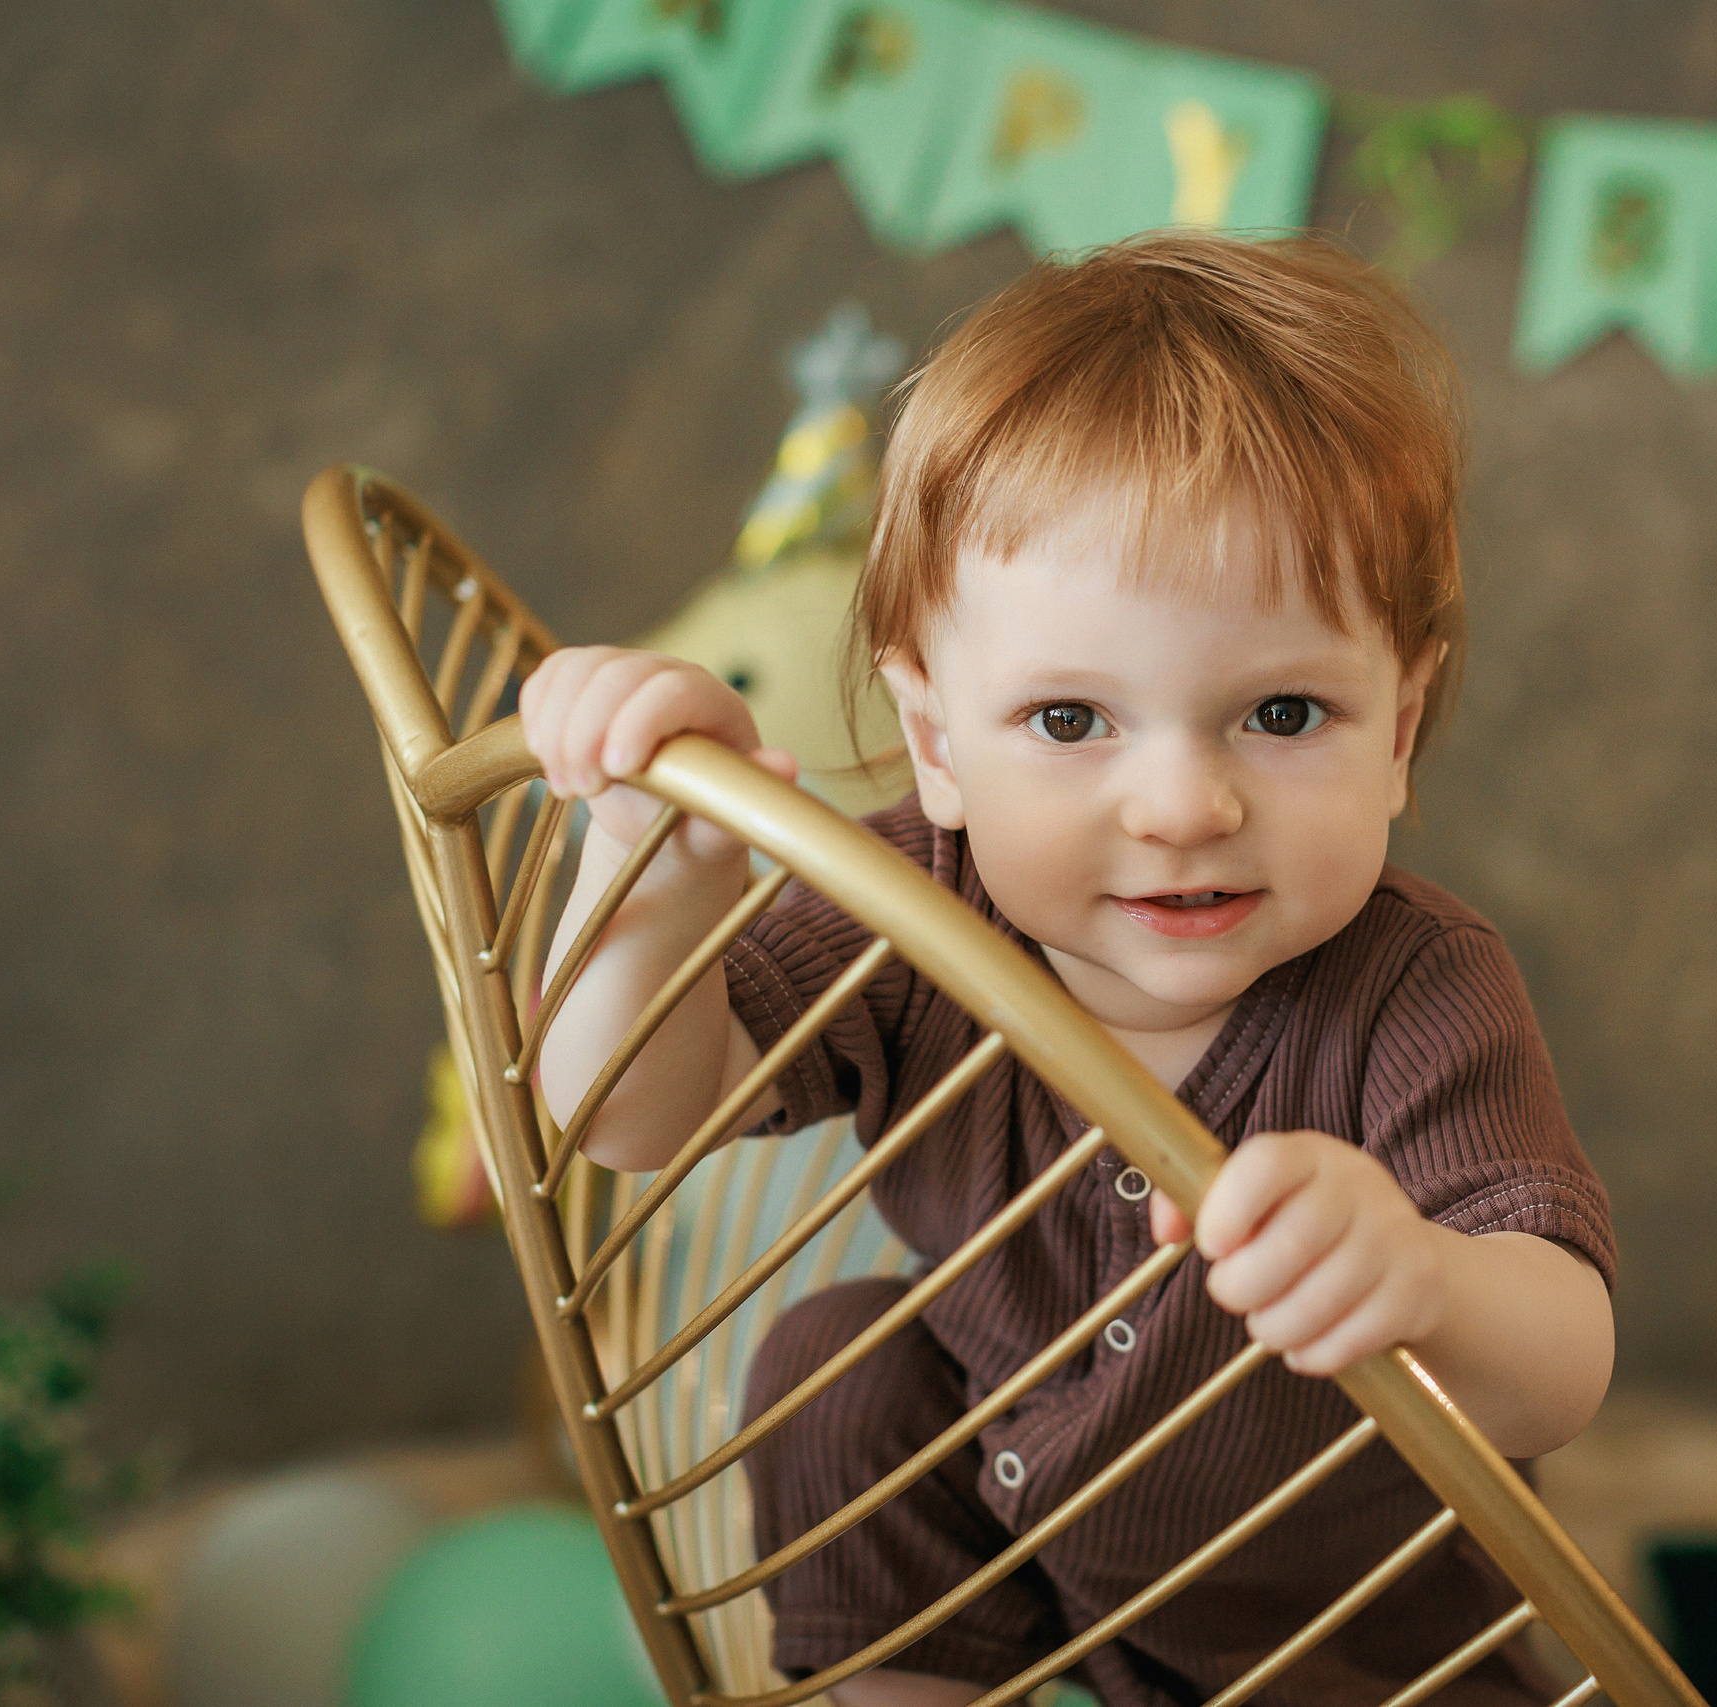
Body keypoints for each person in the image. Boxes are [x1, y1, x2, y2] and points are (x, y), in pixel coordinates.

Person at [520, 232, 1617, 1707]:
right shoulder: (916, 908)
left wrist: (1422, 1282)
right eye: (1068, 721)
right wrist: (643, 873)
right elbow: (629, 1119)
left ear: (1402, 726)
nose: (1181, 806)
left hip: (1338, 1647)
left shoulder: (1417, 991)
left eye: (1284, 714)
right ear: (934, 742)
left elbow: (1564, 1362)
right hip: (1005, 1539)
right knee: (843, 1363)